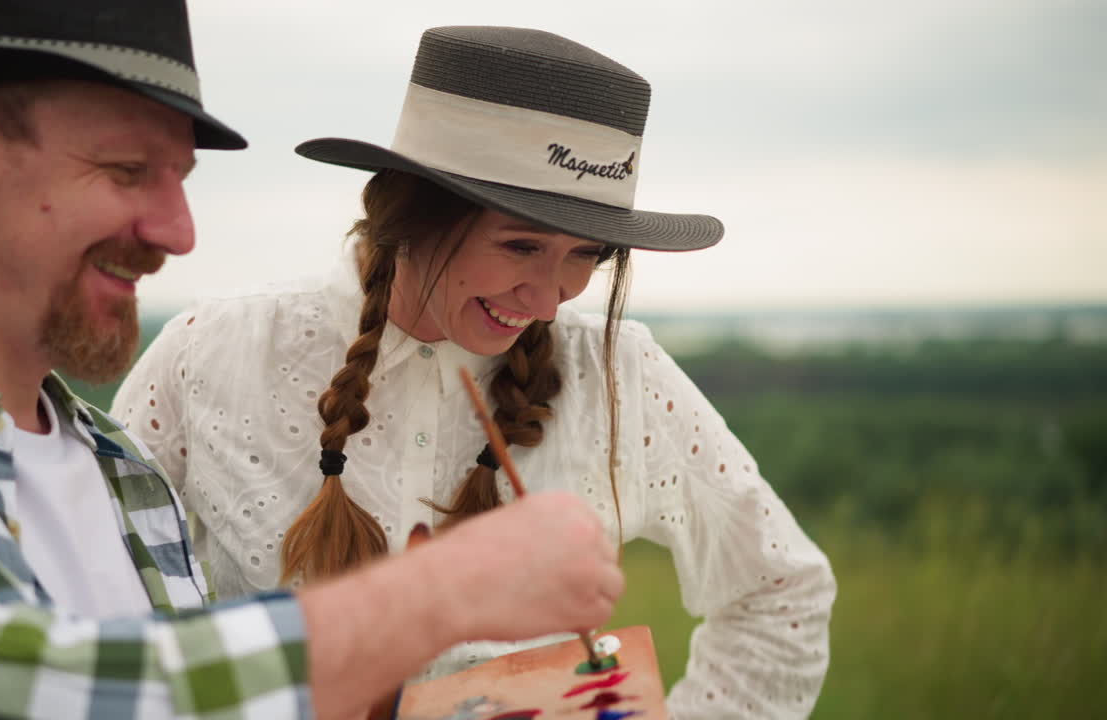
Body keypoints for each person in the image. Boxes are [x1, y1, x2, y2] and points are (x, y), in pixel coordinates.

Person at [0, 4, 624, 719]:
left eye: (180, 179)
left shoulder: (117, 467)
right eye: (127, 170)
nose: (180, 233)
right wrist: (443, 592)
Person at [114, 25, 838, 719]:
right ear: (409, 213)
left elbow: (782, 591)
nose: (550, 299)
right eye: (521, 246)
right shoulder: (213, 352)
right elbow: (98, 616)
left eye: (587, 255)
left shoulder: (620, 374)